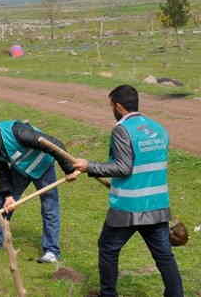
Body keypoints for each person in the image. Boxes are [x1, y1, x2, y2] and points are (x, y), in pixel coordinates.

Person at [72, 85, 183, 297]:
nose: (112, 109)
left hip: (129, 207)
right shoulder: (158, 128)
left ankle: (108, 294)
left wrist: (89, 166)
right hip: (157, 204)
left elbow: (123, 168)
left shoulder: (122, 130)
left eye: (111, 106)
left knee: (108, 249)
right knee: (164, 255)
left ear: (119, 106)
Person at [0, 117, 79, 263]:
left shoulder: (19, 132)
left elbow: (54, 144)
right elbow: (1, 171)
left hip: (43, 167)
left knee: (49, 207)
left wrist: (69, 169)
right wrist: (8, 195)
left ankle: (52, 251)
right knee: (2, 201)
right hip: (21, 169)